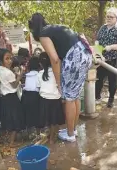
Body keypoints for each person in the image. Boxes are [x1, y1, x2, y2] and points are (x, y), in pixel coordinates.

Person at [28, 13, 92, 142]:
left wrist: (58, 82)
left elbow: (55, 59)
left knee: (68, 98)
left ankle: (70, 134)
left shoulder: (43, 34)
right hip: (85, 54)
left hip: (75, 57)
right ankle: (73, 130)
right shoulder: (55, 28)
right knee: (75, 96)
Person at [95, 7, 117, 108]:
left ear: (116, 18)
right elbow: (97, 41)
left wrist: (111, 47)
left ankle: (111, 100)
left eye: (111, 17)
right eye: (107, 16)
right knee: (99, 79)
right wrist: (99, 54)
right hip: (102, 60)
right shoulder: (103, 28)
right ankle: (97, 97)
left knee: (112, 81)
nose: (108, 18)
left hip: (113, 60)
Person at [0, 49, 26, 147]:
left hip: (5, 98)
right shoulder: (7, 73)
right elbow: (14, 85)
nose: (10, 61)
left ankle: (9, 138)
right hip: (11, 98)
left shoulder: (1, 69)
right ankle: (11, 142)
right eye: (7, 59)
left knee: (9, 118)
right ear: (1, 61)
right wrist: (20, 75)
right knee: (14, 118)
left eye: (11, 58)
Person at [38, 52, 65, 144]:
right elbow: (60, 86)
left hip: (44, 99)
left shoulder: (40, 74)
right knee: (54, 121)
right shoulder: (57, 73)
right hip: (55, 99)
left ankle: (50, 135)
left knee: (48, 120)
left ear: (40, 64)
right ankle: (52, 139)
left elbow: (39, 87)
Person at [21, 57, 40, 131]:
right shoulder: (38, 75)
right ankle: (38, 132)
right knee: (37, 114)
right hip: (35, 96)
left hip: (26, 96)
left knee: (28, 114)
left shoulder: (27, 75)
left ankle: (28, 130)